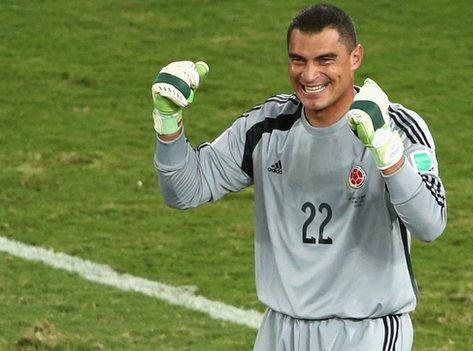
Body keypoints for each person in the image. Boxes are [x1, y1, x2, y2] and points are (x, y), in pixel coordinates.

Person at [152, 4, 446, 350]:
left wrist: (387, 152)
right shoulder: (268, 127)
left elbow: (430, 224)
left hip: (365, 333)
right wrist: (167, 124)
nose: (309, 75)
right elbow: (185, 191)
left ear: (355, 58)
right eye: (298, 60)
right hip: (281, 332)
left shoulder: (395, 125)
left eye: (325, 60)